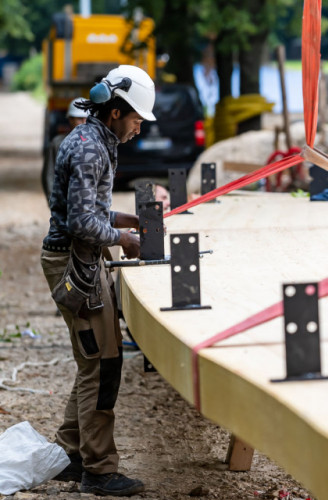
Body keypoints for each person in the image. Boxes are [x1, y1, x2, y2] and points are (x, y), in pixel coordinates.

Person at [40, 65, 156, 497]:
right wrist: (124, 237)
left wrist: (127, 220)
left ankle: (72, 453)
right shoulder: (91, 149)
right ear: (115, 112)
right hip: (75, 264)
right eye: (136, 119)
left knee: (96, 362)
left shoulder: (95, 140)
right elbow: (81, 222)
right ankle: (99, 471)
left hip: (83, 260)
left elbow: (88, 209)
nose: (139, 127)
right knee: (103, 368)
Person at [42, 99, 90, 200]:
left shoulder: (98, 145)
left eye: (87, 119)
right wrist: (55, 204)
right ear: (70, 119)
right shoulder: (58, 144)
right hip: (65, 205)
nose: (84, 122)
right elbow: (49, 176)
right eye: (80, 119)